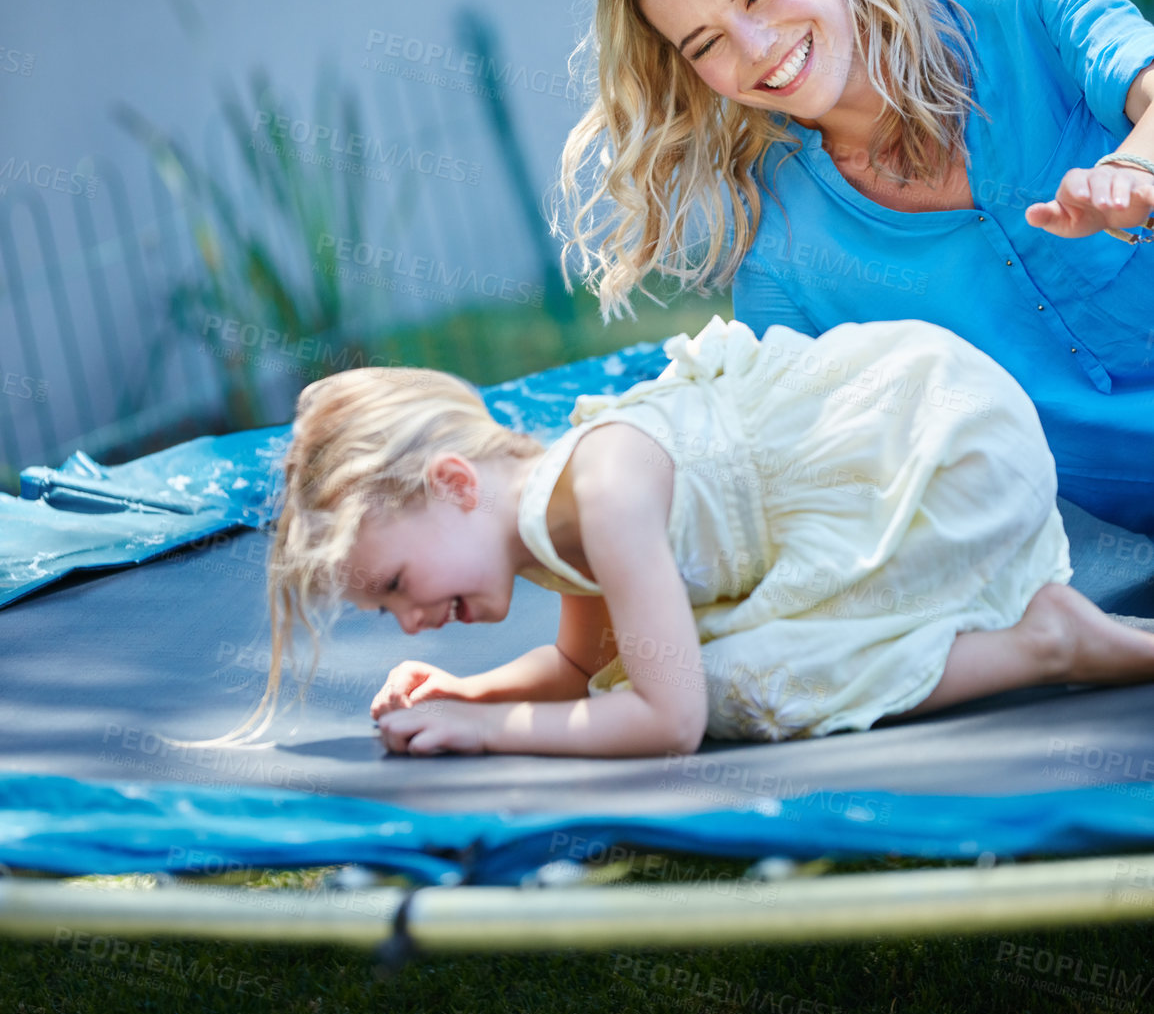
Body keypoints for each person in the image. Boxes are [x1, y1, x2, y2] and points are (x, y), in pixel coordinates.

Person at [554, 0, 1154, 534]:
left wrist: (1134, 165)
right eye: (708, 44)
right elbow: (787, 465)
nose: (757, 48)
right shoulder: (783, 258)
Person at [261, 317, 1154, 758]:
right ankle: (1028, 630)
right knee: (670, 661)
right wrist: (471, 693)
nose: (410, 621)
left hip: (935, 449)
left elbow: (669, 720)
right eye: (385, 610)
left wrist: (494, 734)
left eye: (392, 584)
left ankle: (1043, 642)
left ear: (453, 484)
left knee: (734, 683)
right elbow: (582, 671)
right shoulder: (547, 528)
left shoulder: (604, 489)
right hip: (899, 467)